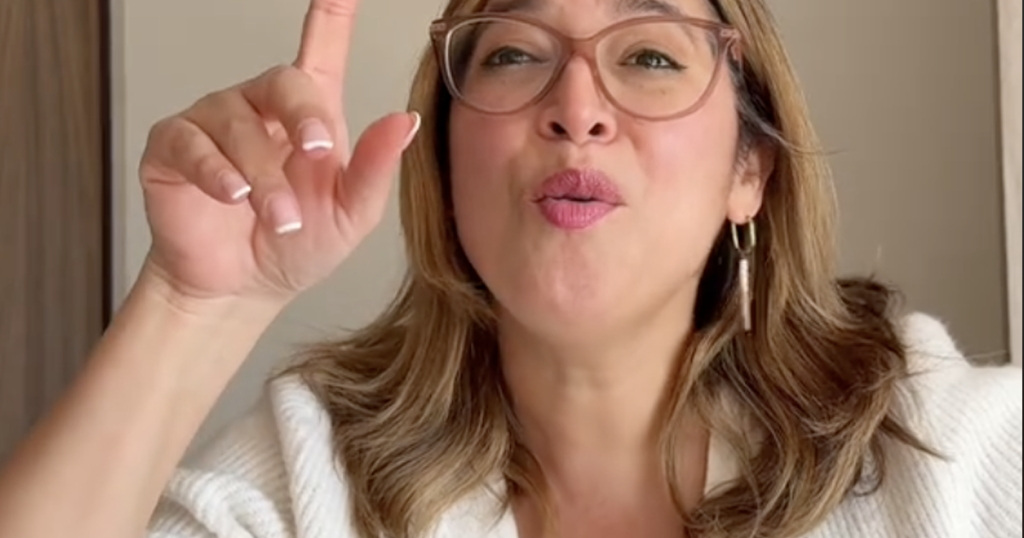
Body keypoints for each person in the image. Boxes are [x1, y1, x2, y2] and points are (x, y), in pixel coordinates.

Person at [0, 0, 1020, 536]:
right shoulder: (313, 478)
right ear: (447, 168)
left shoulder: (954, 454)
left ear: (748, 170)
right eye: (515, 53)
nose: (576, 107)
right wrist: (197, 300)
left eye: (649, 55)